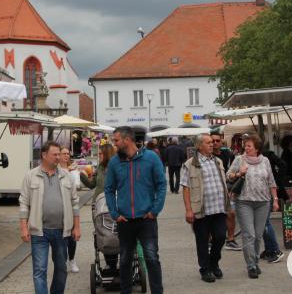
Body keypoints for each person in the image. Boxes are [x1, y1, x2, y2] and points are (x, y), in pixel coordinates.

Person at [105, 126, 167, 294]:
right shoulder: (114, 162)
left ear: (127, 139)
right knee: (124, 260)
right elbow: (109, 189)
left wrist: (155, 210)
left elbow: (162, 185)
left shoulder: (151, 158)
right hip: (125, 220)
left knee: (152, 258)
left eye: (116, 140)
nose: (114, 143)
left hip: (147, 219)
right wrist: (115, 214)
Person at [19, 142, 81, 294]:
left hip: (62, 231)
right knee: (39, 270)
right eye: (55, 154)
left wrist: (77, 226)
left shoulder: (67, 176)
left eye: (59, 154)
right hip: (39, 232)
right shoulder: (31, 176)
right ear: (44, 155)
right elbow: (23, 203)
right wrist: (24, 227)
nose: (58, 157)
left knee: (61, 269)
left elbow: (75, 202)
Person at [226, 134, 278, 279]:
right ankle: (251, 266)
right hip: (244, 202)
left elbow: (271, 181)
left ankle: (255, 261)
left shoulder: (265, 161)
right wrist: (238, 173)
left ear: (257, 148)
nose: (246, 147)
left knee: (258, 236)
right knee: (249, 234)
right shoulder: (239, 159)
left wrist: (275, 200)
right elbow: (228, 176)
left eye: (249, 145)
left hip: (263, 203)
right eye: (245, 145)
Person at [180, 134, 231, 283]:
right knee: (202, 241)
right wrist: (188, 210)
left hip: (219, 208)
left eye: (212, 142)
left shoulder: (218, 161)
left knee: (221, 236)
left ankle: (214, 262)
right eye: (208, 142)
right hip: (201, 210)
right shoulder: (190, 164)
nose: (212, 145)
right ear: (199, 146)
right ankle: (205, 269)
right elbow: (186, 188)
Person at [80, 143, 118, 272]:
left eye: (100, 153)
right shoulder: (100, 168)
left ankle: (119, 260)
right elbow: (91, 185)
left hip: (114, 205)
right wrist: (82, 174)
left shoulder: (117, 167)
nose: (98, 156)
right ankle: (110, 263)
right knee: (103, 233)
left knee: (116, 233)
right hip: (99, 206)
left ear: (107, 154)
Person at [211, 130, 240, 251]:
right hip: (211, 190)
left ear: (222, 141)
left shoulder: (227, 154)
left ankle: (230, 239)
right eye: (213, 141)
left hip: (226, 188)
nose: (215, 143)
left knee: (231, 214)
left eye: (218, 140)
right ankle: (210, 240)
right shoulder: (206, 155)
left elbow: (231, 171)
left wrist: (231, 188)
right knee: (211, 216)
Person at [259, 147, 289, 263]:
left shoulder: (267, 155)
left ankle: (275, 250)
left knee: (264, 222)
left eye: (249, 145)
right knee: (262, 223)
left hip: (268, 191)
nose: (246, 148)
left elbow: (283, 165)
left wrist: (278, 179)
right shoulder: (247, 158)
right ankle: (269, 249)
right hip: (259, 194)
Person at [59, 146, 81, 273]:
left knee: (72, 237)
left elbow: (76, 191)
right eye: (64, 153)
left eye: (68, 154)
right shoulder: (55, 171)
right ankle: (62, 260)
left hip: (71, 208)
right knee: (61, 238)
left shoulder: (72, 172)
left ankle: (71, 260)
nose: (66, 156)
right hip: (58, 210)